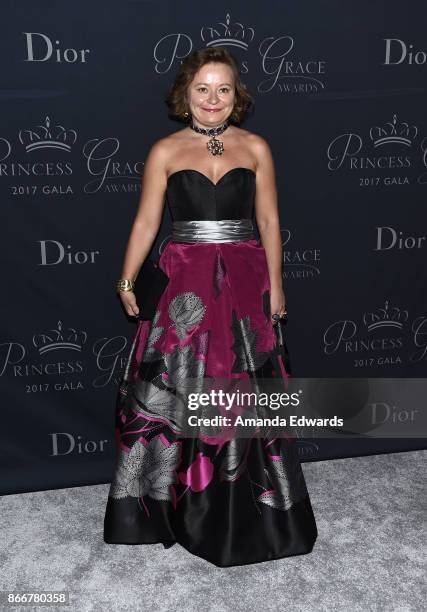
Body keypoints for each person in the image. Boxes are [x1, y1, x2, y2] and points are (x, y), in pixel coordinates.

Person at [103, 46, 317, 567]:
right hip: (186, 284)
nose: (213, 99)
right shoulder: (166, 151)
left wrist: (278, 286)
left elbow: (268, 223)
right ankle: (174, 502)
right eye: (203, 88)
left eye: (223, 89)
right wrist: (127, 278)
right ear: (185, 95)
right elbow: (144, 224)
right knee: (179, 384)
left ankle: (252, 506)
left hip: (245, 280)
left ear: (236, 96)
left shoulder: (257, 147)